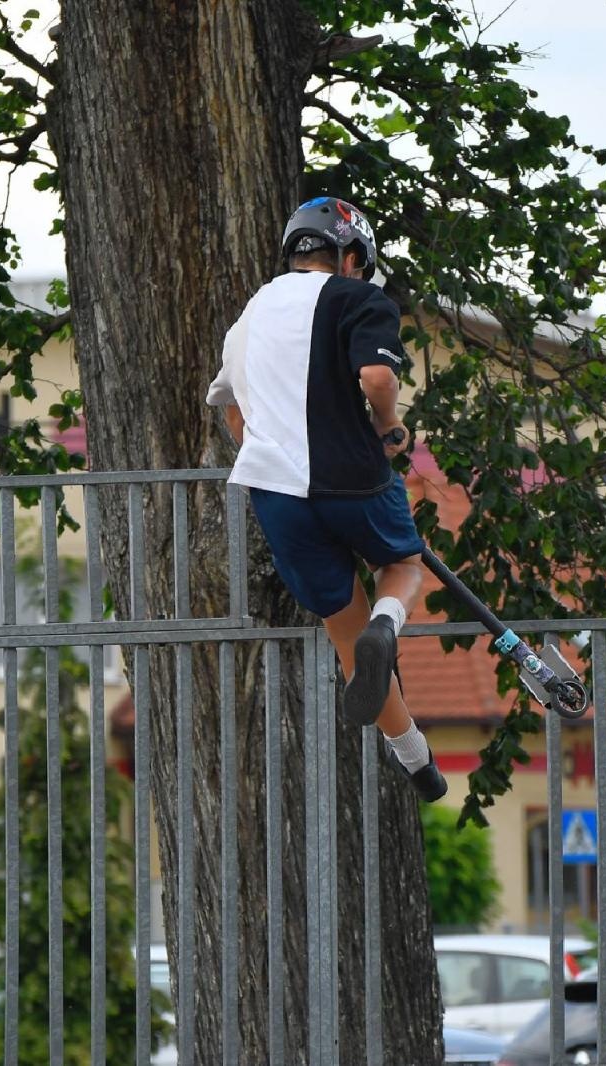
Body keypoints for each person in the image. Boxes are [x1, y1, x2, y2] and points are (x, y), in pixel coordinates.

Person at [205, 196, 446, 803]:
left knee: (345, 630)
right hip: (350, 473)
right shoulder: (360, 297)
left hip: (274, 492)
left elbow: (230, 406)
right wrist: (388, 428)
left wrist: (265, 443)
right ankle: (388, 626)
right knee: (403, 563)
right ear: (349, 256)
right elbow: (377, 378)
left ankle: (416, 760)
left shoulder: (250, 315)